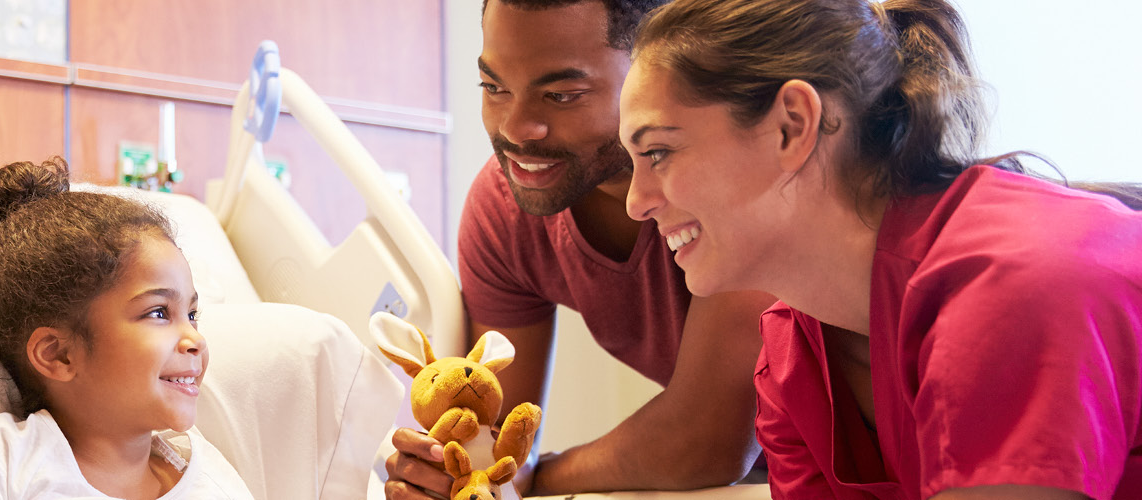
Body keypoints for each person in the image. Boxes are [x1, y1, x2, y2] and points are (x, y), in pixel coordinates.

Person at [620, 0, 1142, 498]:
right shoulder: (791, 361)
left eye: (658, 152)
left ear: (792, 125)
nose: (635, 203)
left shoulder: (1011, 285)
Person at [384, 0, 777, 497]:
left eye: (562, 95)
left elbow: (705, 441)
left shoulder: (733, 176)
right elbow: (497, 445)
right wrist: (460, 475)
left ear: (653, 68)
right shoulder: (504, 211)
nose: (515, 128)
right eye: (494, 87)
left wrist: (533, 477)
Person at [0, 159, 253, 499]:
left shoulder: (210, 479)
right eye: (158, 313)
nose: (194, 339)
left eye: (192, 313)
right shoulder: (7, 465)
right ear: (59, 354)